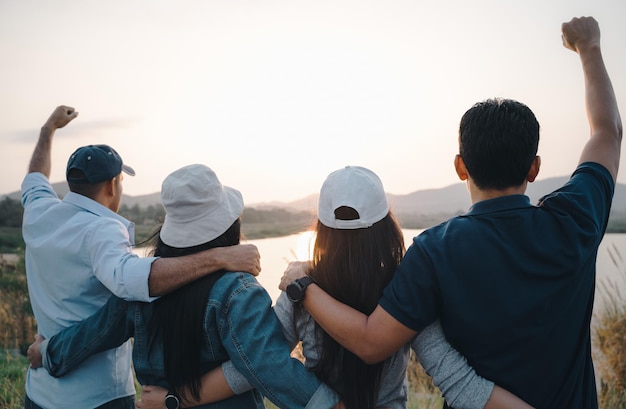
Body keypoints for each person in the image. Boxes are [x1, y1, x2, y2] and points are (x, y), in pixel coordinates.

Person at [279, 16, 622, 408]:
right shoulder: (576, 216)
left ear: (460, 167)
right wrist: (589, 47)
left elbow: (371, 342)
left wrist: (302, 287)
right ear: (535, 168)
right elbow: (607, 132)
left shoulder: (434, 250)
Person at [29, 165, 530, 409]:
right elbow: (454, 377)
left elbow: (255, 364)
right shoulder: (406, 287)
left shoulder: (297, 284)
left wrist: (50, 350)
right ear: (387, 225)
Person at [28, 163, 339, 409]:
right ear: (229, 226)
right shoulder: (238, 291)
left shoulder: (144, 290)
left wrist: (48, 351)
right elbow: (269, 365)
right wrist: (332, 405)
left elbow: (94, 333)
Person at [21, 109, 260, 409]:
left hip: (39, 391)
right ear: (112, 186)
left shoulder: (38, 212)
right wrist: (219, 257)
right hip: (96, 397)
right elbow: (134, 281)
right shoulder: (103, 229)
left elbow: (35, 175)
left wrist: (48, 129)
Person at [274, 165, 532, 409]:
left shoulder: (299, 290)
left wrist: (319, 400)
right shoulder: (404, 291)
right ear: (386, 228)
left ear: (321, 230)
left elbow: (265, 360)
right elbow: (459, 383)